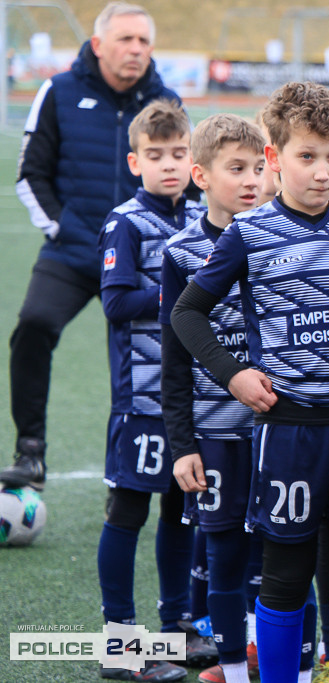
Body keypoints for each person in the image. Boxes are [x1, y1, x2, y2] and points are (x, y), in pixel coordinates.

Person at [171, 81, 329, 683]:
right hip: (290, 430)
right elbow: (187, 313)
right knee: (286, 574)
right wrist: (233, 374)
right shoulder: (250, 233)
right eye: (307, 156)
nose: (323, 172)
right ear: (275, 157)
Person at [2, 1, 182, 490]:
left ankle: (170, 459)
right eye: (126, 39)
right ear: (99, 45)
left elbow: (181, 182)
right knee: (33, 326)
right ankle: (30, 451)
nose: (136, 50)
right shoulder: (58, 91)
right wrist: (62, 230)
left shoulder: (165, 99)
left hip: (140, 259)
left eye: (144, 41)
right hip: (74, 250)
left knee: (159, 354)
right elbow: (29, 174)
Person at [96, 98, 210, 682]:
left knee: (180, 513)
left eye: (179, 154)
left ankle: (175, 629)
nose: (169, 165)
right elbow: (115, 301)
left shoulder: (198, 218)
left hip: (185, 397)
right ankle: (119, 640)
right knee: (128, 511)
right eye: (156, 156)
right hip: (141, 398)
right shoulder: (126, 221)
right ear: (135, 162)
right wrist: (181, 299)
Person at [160, 113, 266, 683]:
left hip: (279, 430)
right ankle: (228, 667)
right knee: (224, 556)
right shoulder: (180, 253)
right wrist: (182, 444)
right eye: (235, 169)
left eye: (257, 167)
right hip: (216, 433)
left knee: (277, 559)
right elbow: (174, 360)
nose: (250, 180)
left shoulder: (280, 237)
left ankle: (272, 660)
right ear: (200, 175)